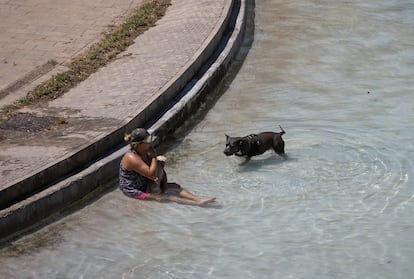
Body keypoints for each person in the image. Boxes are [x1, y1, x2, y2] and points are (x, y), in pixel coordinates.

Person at [119, 128, 217, 205]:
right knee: (165, 197)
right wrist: (153, 156)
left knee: (175, 186)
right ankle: (197, 204)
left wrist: (164, 184)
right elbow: (151, 175)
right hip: (134, 190)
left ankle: (199, 199)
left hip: (145, 182)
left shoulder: (145, 150)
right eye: (147, 141)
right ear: (139, 144)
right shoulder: (131, 157)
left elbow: (160, 169)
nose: (150, 142)